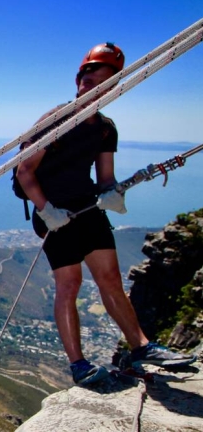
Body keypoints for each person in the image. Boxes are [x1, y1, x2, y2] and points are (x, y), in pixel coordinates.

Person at [15, 42, 197, 386]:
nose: (90, 87)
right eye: (87, 80)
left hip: (86, 208)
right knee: (69, 285)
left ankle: (141, 346)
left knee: (111, 279)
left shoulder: (105, 128)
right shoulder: (56, 120)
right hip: (54, 214)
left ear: (113, 87)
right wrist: (46, 210)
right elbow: (25, 171)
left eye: (99, 82)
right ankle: (79, 365)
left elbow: (105, 178)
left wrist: (114, 192)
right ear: (77, 80)